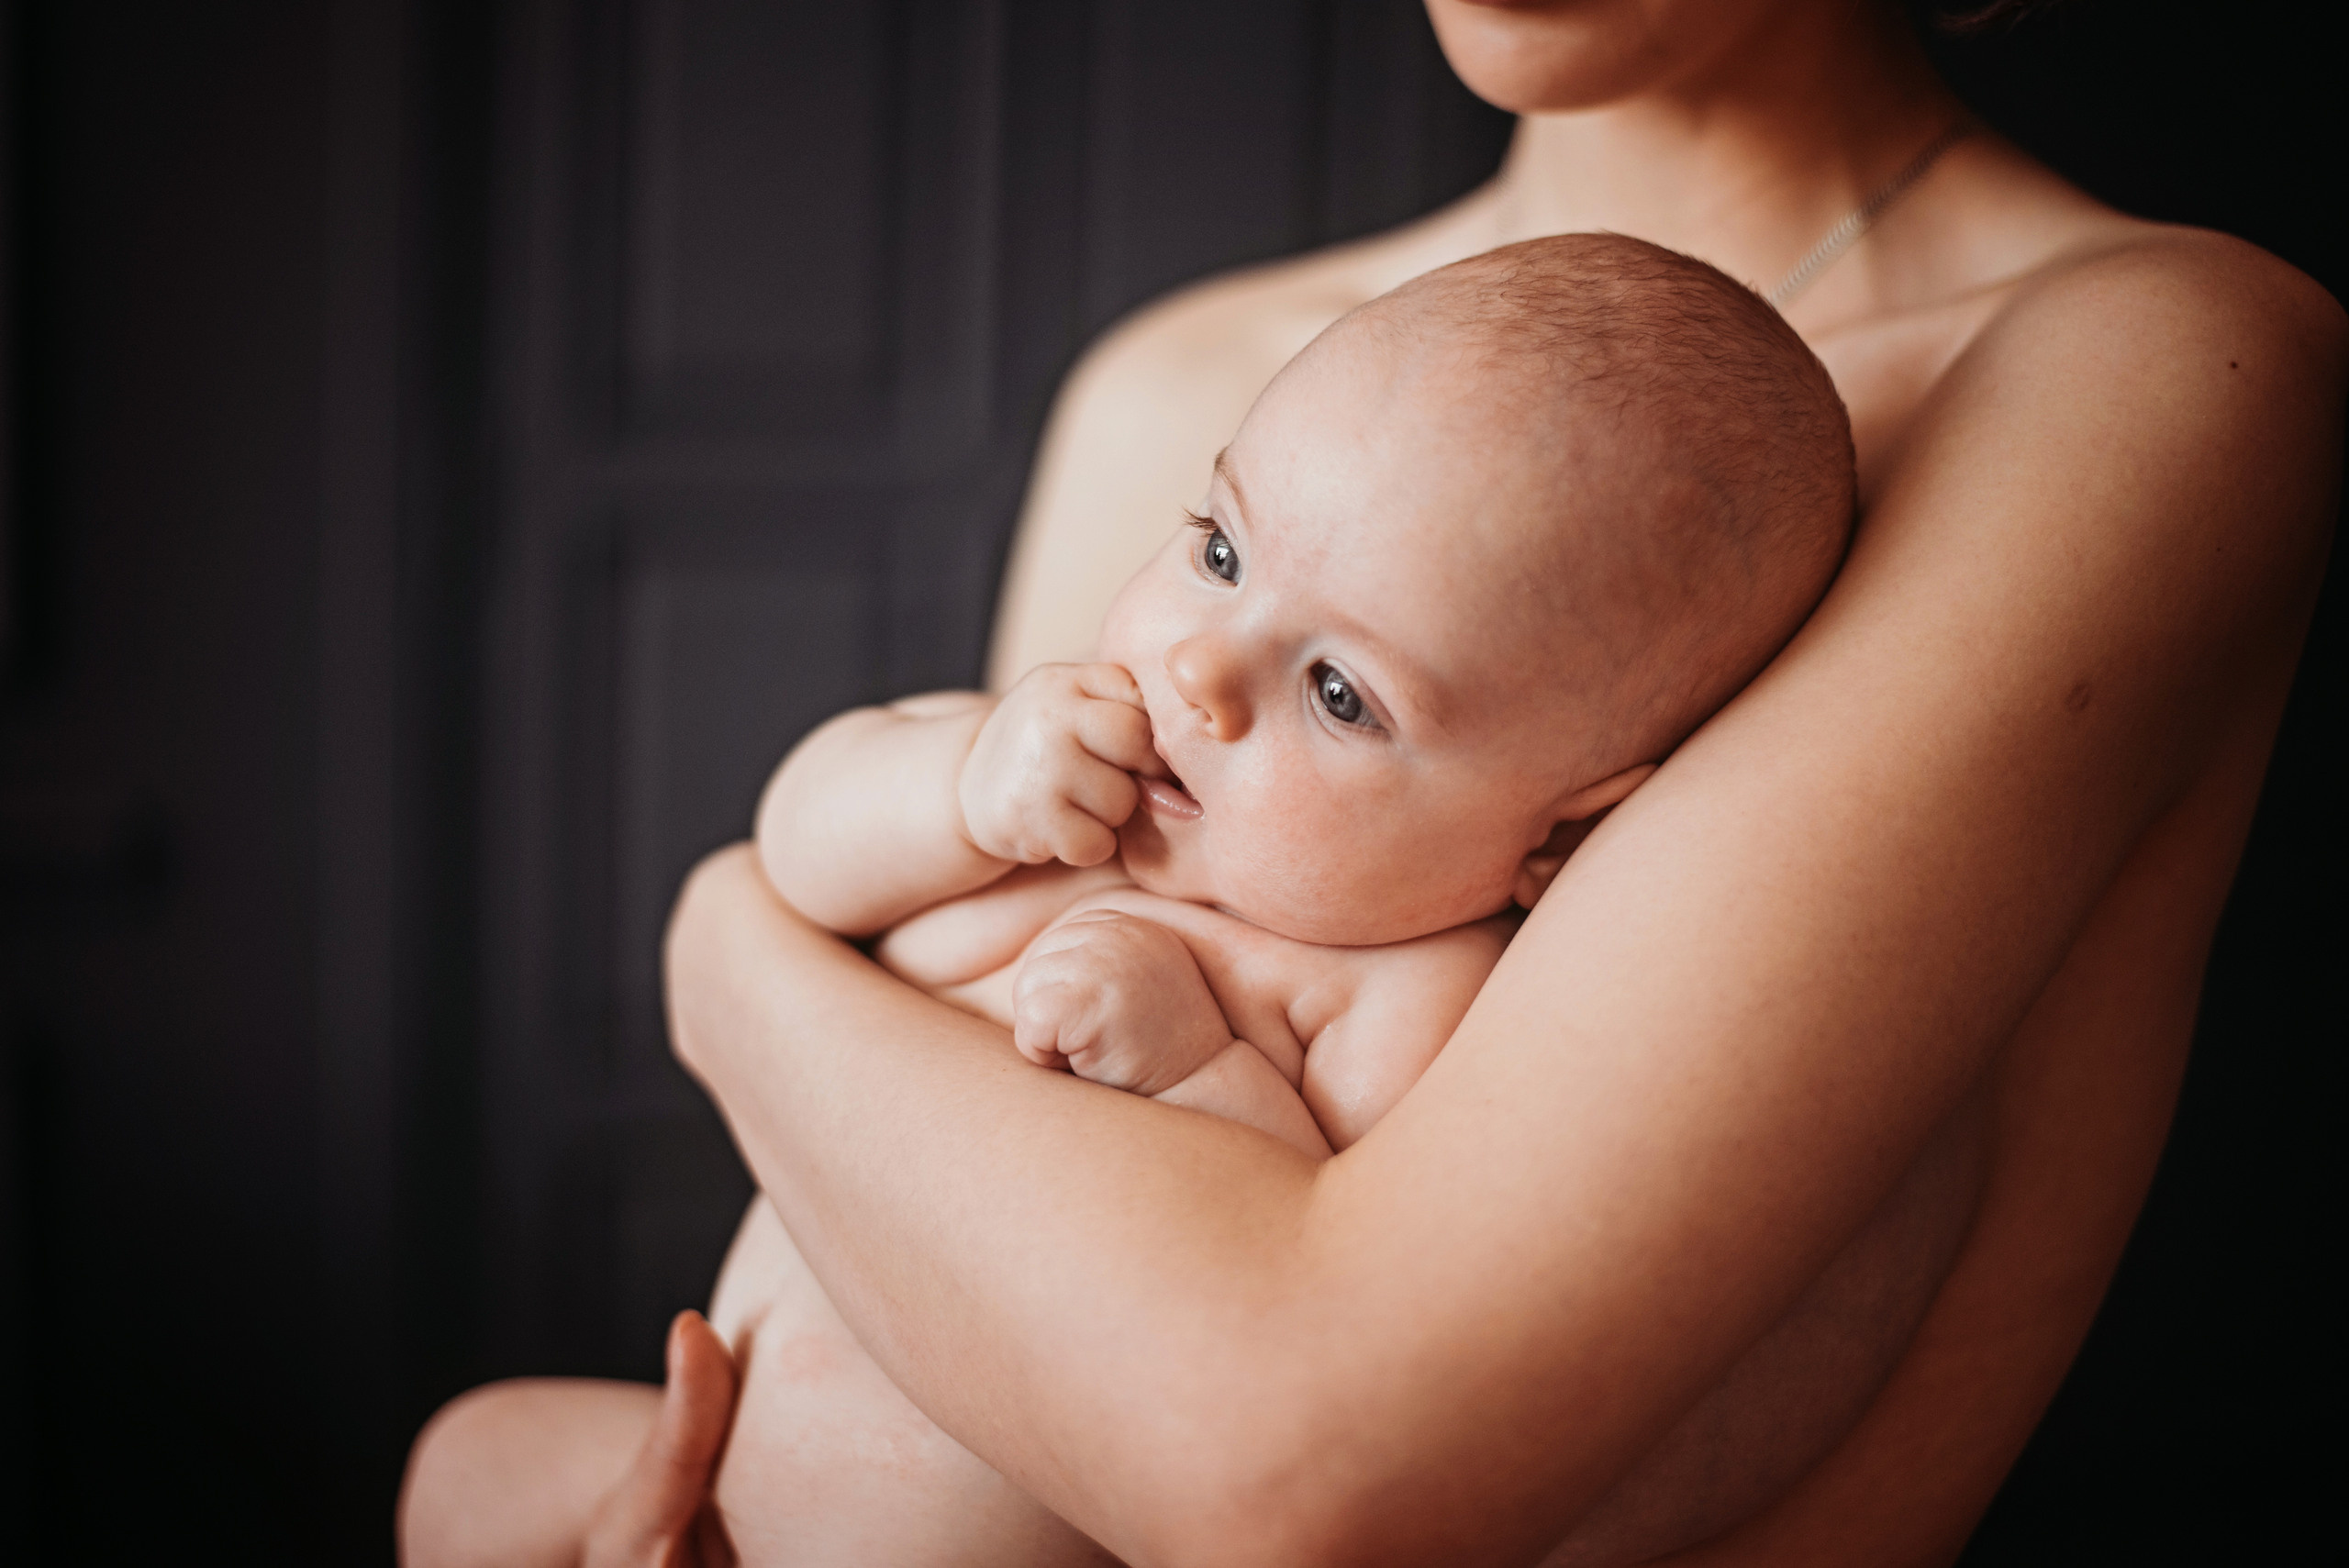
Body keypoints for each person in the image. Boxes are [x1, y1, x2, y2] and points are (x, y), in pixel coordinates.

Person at [405, 2, 2344, 1564]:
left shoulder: (2126, 371)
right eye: (1217, 553)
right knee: (463, 1473)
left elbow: (1274, 1458)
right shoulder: (1179, 386)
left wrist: (725, 953)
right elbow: (964, 1211)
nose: (1199, 676)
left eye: (1338, 690)